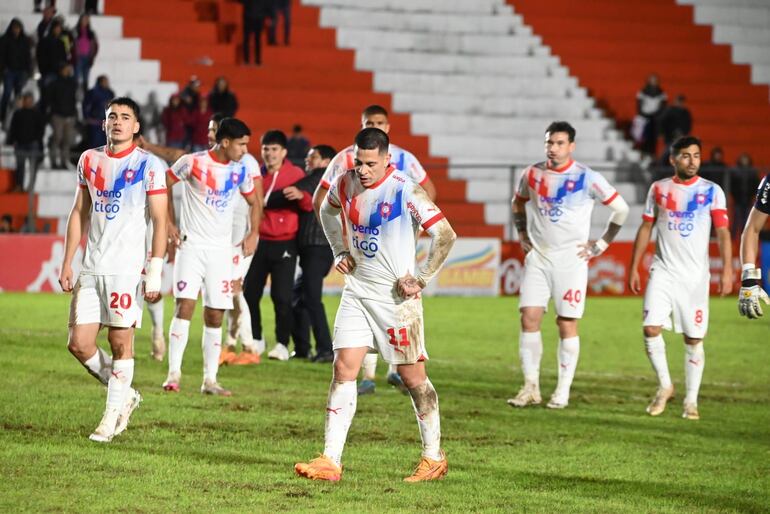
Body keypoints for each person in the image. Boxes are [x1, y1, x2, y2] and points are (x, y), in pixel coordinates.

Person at [295, 127, 456, 482]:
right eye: (359, 162)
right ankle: (330, 460)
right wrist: (339, 249)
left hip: (396, 300)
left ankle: (434, 457)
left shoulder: (405, 189)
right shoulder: (344, 181)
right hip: (357, 292)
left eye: (371, 164)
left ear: (387, 160)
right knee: (343, 368)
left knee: (412, 377)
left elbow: (445, 234)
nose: (363, 170)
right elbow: (325, 211)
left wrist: (422, 277)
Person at [58, 96, 168, 443]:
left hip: (126, 269)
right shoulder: (89, 160)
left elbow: (160, 220)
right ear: (104, 123)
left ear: (136, 127)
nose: (117, 122)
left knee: (121, 342)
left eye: (125, 117)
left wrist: (154, 271)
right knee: (79, 343)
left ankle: (108, 421)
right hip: (92, 266)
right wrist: (67, 261)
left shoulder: (149, 165)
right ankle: (126, 396)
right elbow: (79, 212)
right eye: (112, 116)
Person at [313, 104, 436, 395]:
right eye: (371, 122)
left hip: (394, 262)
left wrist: (414, 224)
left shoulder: (406, 160)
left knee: (406, 353)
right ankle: (368, 377)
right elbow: (323, 198)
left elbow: (429, 192)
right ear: (362, 124)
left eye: (381, 122)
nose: (376, 125)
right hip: (361, 268)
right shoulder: (345, 159)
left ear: (389, 127)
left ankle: (394, 371)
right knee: (356, 333)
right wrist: (340, 244)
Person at [508, 121, 630, 410]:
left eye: (560, 143)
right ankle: (531, 387)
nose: (553, 148)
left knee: (566, 322)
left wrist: (600, 245)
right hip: (538, 257)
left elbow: (621, 209)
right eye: (550, 142)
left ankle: (562, 390)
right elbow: (517, 202)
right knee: (529, 317)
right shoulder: (532, 173)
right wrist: (523, 234)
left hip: (571, 260)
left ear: (571, 146)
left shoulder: (587, 177)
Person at [629, 136, 732, 420]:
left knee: (693, 338)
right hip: (663, 270)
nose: (692, 161)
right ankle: (665, 386)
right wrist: (634, 265)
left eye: (696, 155)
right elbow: (646, 227)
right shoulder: (659, 189)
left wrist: (726, 269)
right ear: (673, 159)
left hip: (695, 277)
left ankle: (691, 401)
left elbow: (722, 232)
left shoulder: (712, 191)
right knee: (650, 328)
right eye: (686, 156)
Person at [162, 117, 260, 396]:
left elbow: (255, 202)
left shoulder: (240, 171)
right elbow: (163, 185)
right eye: (241, 144)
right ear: (225, 142)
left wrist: (254, 232)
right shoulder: (192, 162)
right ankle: (173, 374)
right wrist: (169, 223)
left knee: (216, 314)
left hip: (221, 251)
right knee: (185, 308)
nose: (244, 150)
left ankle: (210, 380)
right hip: (191, 248)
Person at [242, 129, 310, 361]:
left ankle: (282, 343)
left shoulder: (295, 174)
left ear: (284, 152)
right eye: (265, 149)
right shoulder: (256, 174)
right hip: (260, 241)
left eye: (273, 150)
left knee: (281, 297)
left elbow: (309, 204)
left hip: (285, 242)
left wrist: (301, 196)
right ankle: (257, 339)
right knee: (250, 293)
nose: (269, 154)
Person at [269, 144, 336, 362]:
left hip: (318, 247)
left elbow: (286, 193)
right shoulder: (322, 179)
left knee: (311, 298)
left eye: (313, 157)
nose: (308, 161)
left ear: (326, 162)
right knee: (299, 296)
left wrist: (263, 199)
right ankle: (303, 347)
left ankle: (326, 349)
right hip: (313, 247)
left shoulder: (321, 177)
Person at [7, 92, 44, 192]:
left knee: (33, 168)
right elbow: (13, 128)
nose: (28, 102)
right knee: (20, 166)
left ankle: (30, 187)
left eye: (29, 101)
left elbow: (41, 129)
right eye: (26, 100)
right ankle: (19, 186)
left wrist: (38, 141)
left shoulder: (37, 114)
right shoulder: (17, 113)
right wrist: (11, 140)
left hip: (33, 144)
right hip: (20, 144)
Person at [46, 63, 78, 169]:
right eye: (65, 69)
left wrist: (73, 113)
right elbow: (49, 99)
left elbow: (74, 99)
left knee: (67, 139)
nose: (68, 71)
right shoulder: (54, 83)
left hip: (70, 115)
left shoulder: (72, 83)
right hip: (58, 115)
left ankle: (64, 161)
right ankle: (53, 161)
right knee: (57, 138)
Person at [0, 18, 32, 122]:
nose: (16, 30)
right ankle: (2, 115)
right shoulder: (4, 39)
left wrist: (28, 70)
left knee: (19, 95)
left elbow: (28, 56)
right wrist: (3, 69)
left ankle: (18, 117)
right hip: (9, 71)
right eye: (15, 28)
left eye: (18, 28)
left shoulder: (25, 40)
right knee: (7, 93)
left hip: (21, 71)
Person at [728, 153, 759, 240]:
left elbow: (757, 185)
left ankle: (745, 237)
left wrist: (753, 195)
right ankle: (733, 238)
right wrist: (734, 195)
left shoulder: (753, 172)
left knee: (747, 220)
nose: (744, 161)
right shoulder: (735, 171)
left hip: (748, 199)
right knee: (736, 219)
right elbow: (732, 185)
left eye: (746, 159)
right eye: (743, 159)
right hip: (737, 199)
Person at [636, 74, 667, 159]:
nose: (653, 82)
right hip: (645, 117)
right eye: (652, 80)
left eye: (655, 81)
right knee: (643, 136)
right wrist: (641, 114)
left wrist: (658, 115)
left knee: (653, 137)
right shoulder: (642, 92)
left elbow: (663, 106)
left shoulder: (661, 93)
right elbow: (638, 105)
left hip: (655, 118)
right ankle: (643, 152)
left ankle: (652, 154)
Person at [82, 75, 115, 149]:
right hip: (94, 122)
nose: (107, 83)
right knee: (94, 143)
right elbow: (86, 106)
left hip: (106, 122)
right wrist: (87, 118)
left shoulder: (110, 93)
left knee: (105, 143)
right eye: (105, 81)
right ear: (100, 82)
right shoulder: (92, 92)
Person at [240, 0, 272, 66]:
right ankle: (255, 61)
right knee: (254, 40)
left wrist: (268, 16)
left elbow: (267, 4)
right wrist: (269, 15)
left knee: (250, 40)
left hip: (252, 17)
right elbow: (267, 4)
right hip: (255, 17)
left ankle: (251, 61)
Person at [72, 14, 98, 93]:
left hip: (88, 57)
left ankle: (85, 95)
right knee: (76, 78)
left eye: (87, 20)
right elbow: (72, 44)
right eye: (84, 19)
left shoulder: (91, 32)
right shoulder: (75, 30)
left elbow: (95, 45)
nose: (85, 21)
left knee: (86, 78)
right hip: (78, 57)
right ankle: (74, 94)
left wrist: (92, 56)